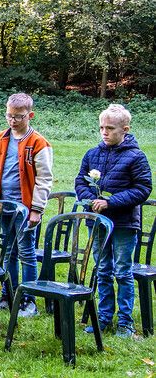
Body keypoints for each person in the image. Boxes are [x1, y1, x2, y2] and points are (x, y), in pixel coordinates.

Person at [76, 104, 152, 338]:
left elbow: (143, 188)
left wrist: (111, 202)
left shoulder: (136, 156)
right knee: (102, 269)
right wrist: (93, 200)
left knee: (122, 271)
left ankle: (125, 322)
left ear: (125, 129)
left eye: (110, 128)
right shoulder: (92, 154)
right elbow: (80, 182)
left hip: (123, 223)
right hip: (98, 223)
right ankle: (104, 317)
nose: (104, 132)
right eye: (101, 127)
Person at [0, 93, 53, 318]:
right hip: (3, 205)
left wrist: (37, 208)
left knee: (26, 252)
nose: (12, 121)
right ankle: (8, 295)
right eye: (9, 116)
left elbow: (44, 179)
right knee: (8, 252)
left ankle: (29, 300)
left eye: (18, 117)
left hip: (25, 207)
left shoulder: (38, 143)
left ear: (30, 115)